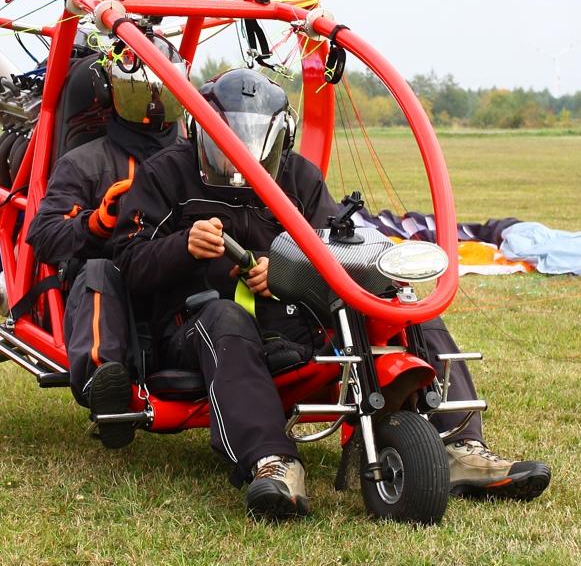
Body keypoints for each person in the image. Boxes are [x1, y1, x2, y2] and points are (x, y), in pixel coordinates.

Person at [113, 68, 550, 519]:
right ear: (201, 133)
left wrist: (282, 269)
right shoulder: (165, 176)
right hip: (195, 328)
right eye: (229, 140)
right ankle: (273, 462)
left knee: (403, 306)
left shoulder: (298, 178)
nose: (242, 156)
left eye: (256, 141)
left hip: (293, 323)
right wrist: (181, 248)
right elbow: (126, 262)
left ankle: (460, 445)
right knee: (226, 317)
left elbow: (338, 250)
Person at [25, 34, 186, 448]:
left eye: (162, 94)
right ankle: (105, 381)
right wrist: (96, 223)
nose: (152, 107)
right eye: (141, 95)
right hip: (109, 284)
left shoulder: (196, 158)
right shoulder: (85, 161)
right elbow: (42, 235)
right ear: (114, 94)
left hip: (174, 278)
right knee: (100, 271)